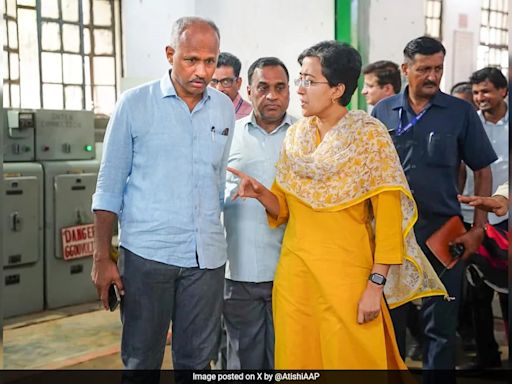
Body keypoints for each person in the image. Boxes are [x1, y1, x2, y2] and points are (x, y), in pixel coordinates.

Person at [228, 40, 446, 369]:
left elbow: (388, 220)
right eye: (299, 79)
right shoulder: (297, 136)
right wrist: (261, 194)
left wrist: (376, 285)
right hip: (295, 276)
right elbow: (285, 209)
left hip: (346, 277)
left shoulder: (368, 136)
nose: (298, 89)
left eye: (308, 80)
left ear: (336, 89)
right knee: (299, 361)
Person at [91, 16, 234, 381]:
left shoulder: (222, 108)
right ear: (170, 54)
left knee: (198, 364)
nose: (202, 70)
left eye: (210, 60)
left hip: (207, 260)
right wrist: (102, 258)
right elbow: (109, 186)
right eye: (191, 59)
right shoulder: (135, 104)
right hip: (147, 258)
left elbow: (216, 180)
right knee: (141, 362)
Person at [371, 36, 497, 375]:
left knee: (440, 328)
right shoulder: (382, 111)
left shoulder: (460, 112)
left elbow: (481, 168)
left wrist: (478, 230)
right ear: (405, 69)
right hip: (393, 235)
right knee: (392, 321)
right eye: (424, 69)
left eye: (438, 69)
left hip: (444, 235)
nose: (432, 76)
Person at [223, 56, 296, 369]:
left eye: (280, 88)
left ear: (289, 92)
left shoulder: (305, 138)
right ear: (248, 91)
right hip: (240, 272)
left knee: (288, 361)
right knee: (243, 362)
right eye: (263, 87)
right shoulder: (227, 135)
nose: (272, 95)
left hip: (292, 274)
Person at [458, 67, 509, 370]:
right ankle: (487, 359)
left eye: (486, 91)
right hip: (472, 217)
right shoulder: (470, 123)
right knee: (477, 292)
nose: (480, 98)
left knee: (507, 294)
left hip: (507, 218)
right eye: (476, 93)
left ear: (503, 92)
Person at [210, 52, 252, 119]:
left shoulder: (251, 116)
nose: (218, 89)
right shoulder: (202, 113)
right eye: (213, 82)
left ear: (238, 83)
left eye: (226, 82)